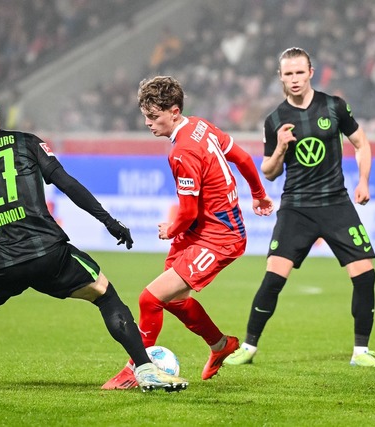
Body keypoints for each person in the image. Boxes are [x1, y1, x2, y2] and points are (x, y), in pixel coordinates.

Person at [0, 84, 189, 394]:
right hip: (48, 253)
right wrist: (108, 221)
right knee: (106, 296)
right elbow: (66, 183)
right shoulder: (27, 143)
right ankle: (145, 370)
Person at [102, 76, 274, 389]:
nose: (148, 123)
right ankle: (222, 345)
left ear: (175, 111)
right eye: (145, 115)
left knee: (148, 299)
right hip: (201, 231)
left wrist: (170, 229)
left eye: (154, 117)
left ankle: (136, 370)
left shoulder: (182, 152)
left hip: (220, 237)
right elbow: (244, 158)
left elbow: (188, 211)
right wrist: (259, 194)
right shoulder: (200, 126)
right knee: (173, 300)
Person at [225, 47, 375, 368]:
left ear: (311, 72)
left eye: (300, 72)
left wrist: (364, 181)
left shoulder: (334, 106)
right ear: (280, 77)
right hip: (296, 207)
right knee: (273, 279)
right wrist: (282, 147)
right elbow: (269, 172)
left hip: (336, 203)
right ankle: (248, 347)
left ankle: (361, 352)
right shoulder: (275, 120)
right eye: (288, 74)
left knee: (364, 276)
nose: (295, 79)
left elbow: (361, 143)